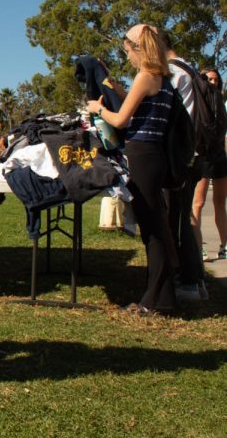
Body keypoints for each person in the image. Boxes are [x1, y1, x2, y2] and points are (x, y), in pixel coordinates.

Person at [86, 24, 176, 313]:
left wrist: (96, 109)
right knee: (155, 227)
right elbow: (135, 104)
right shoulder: (162, 76)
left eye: (127, 52)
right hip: (155, 155)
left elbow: (122, 119)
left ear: (139, 48)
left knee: (153, 231)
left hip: (143, 155)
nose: (128, 58)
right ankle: (161, 297)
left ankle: (154, 301)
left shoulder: (145, 75)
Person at [161, 30, 205, 301]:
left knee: (177, 220)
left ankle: (188, 282)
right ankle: (196, 279)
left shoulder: (175, 74)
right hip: (194, 154)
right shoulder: (191, 69)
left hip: (181, 156)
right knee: (183, 217)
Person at [193, 68, 227, 262]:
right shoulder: (198, 101)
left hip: (219, 155)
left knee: (220, 202)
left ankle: (225, 245)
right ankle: (199, 247)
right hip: (202, 155)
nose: (212, 83)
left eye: (216, 80)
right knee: (198, 203)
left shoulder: (220, 103)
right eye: (208, 79)